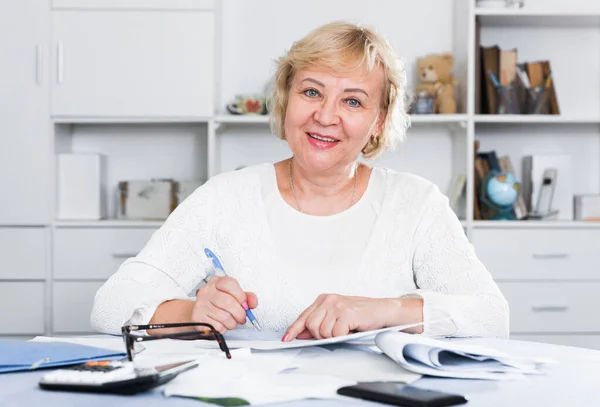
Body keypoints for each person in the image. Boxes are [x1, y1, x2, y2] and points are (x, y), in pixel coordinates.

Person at [91, 21, 509, 341]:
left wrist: (383, 310)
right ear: (286, 97)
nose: (326, 116)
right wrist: (190, 312)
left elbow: (492, 317)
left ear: (378, 121)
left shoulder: (416, 203)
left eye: (352, 101)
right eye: (311, 92)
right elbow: (110, 305)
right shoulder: (224, 198)